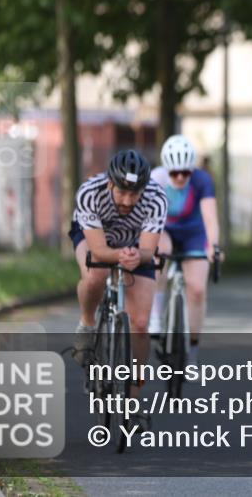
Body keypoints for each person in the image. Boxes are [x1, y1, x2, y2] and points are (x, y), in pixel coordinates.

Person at [70, 150, 167, 429]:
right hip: (97, 240)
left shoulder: (156, 198)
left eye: (134, 194)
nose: (127, 200)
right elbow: (99, 251)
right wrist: (120, 257)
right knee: (95, 276)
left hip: (136, 248)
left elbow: (149, 250)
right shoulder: (90, 192)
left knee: (139, 323)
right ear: (110, 183)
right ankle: (88, 324)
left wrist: (139, 256)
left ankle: (133, 401)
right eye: (122, 192)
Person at [148, 135, 222, 375]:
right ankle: (156, 317)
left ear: (192, 170)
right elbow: (148, 219)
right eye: (174, 173)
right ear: (166, 170)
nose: (179, 177)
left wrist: (213, 246)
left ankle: (192, 350)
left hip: (193, 233)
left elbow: (210, 218)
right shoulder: (156, 179)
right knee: (159, 253)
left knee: (197, 290)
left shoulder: (202, 180)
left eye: (185, 173)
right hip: (165, 229)